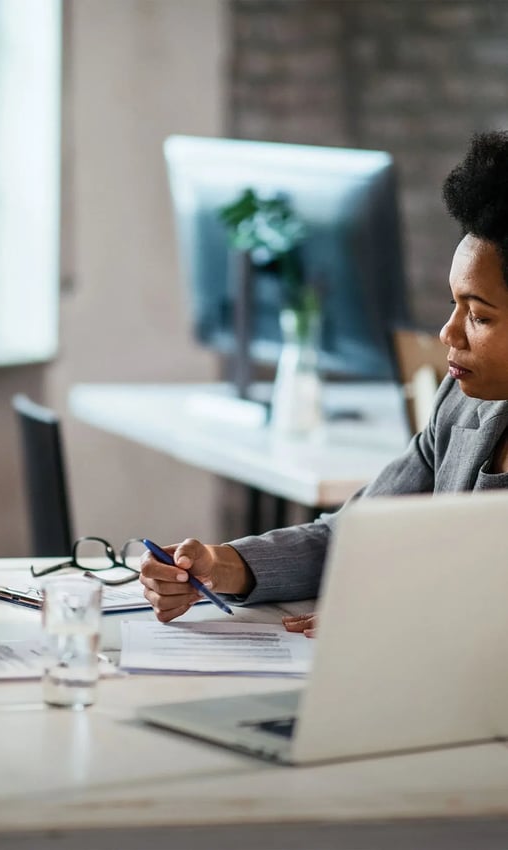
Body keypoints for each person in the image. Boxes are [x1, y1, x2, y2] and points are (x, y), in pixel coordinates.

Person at [140, 129, 508, 634]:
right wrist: (221, 564)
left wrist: (395, 614)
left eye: (479, 317)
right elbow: (355, 535)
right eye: (454, 306)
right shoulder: (464, 407)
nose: (448, 333)